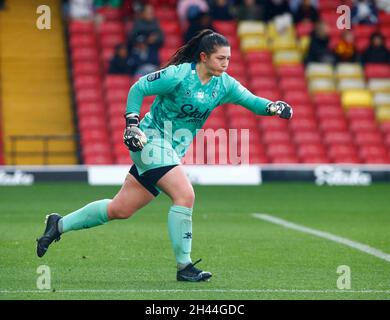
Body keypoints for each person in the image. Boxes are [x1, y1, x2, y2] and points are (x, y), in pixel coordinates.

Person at [36, 29, 293, 282]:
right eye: (221, 58)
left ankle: (58, 225)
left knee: (120, 209)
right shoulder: (178, 75)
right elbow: (138, 88)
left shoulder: (223, 84)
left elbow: (251, 101)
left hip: (170, 151)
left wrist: (273, 107)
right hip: (149, 140)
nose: (226, 64)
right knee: (185, 194)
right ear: (203, 57)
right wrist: (132, 124)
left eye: (228, 59)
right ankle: (185, 266)